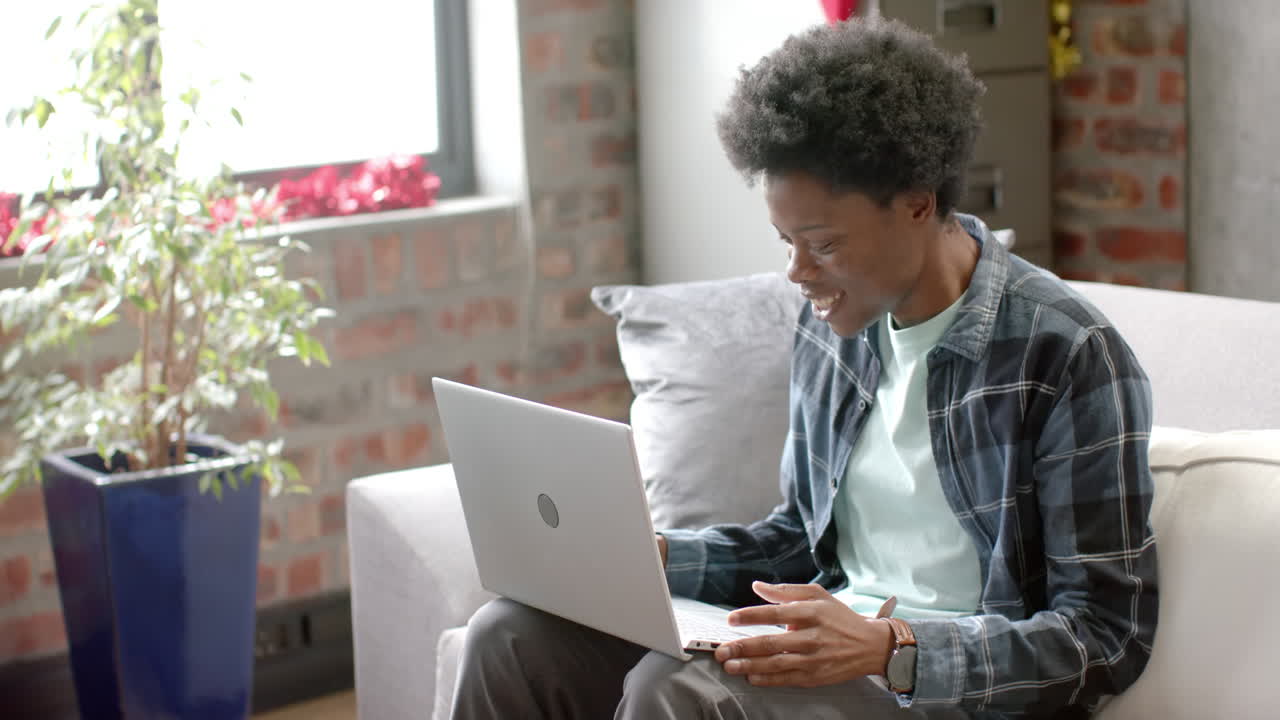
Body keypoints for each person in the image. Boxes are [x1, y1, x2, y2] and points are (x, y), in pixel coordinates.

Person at [451, 16, 1157, 720]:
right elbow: (797, 542)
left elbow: (1103, 635)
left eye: (821, 244)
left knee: (671, 691)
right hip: (819, 657)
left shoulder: (1065, 353)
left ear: (918, 202)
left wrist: (890, 648)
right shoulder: (837, 332)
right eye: (786, 240)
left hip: (941, 692)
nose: (796, 272)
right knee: (509, 638)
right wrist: (653, 555)